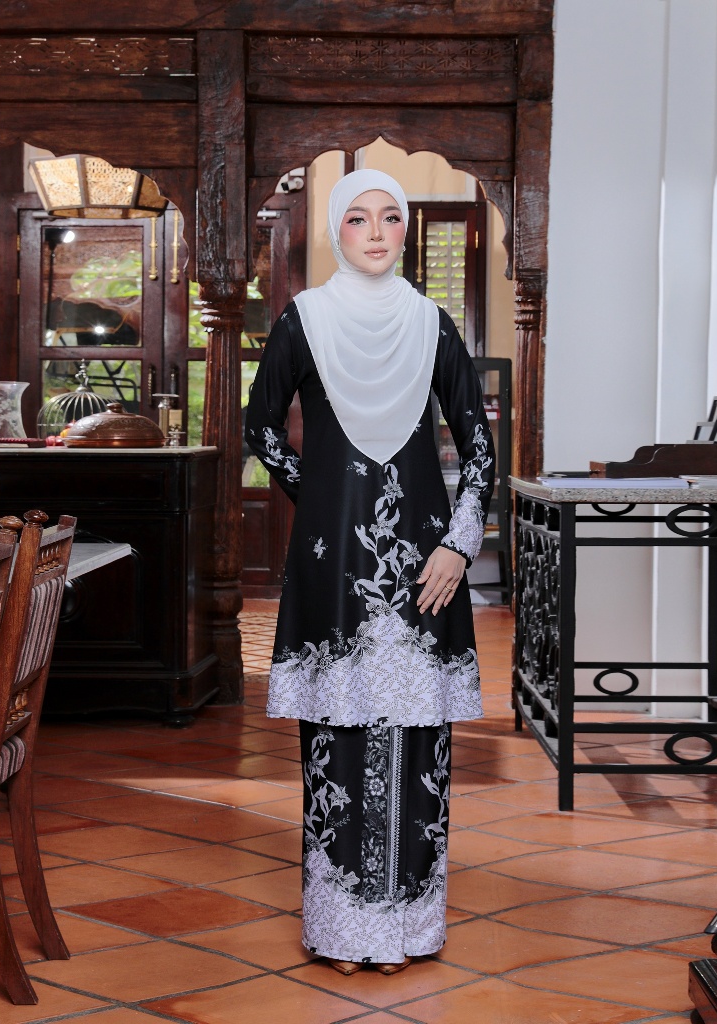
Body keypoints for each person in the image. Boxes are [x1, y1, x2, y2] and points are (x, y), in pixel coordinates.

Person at [246, 168, 495, 976]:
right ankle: (343, 931)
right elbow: (260, 428)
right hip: (334, 567)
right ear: (335, 231)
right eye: (359, 219)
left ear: (406, 229)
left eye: (391, 217)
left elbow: (479, 446)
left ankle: (409, 930)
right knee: (338, 734)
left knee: (420, 741)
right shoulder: (306, 321)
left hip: (428, 566)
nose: (378, 232)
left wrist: (459, 543)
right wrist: (318, 498)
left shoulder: (432, 325)